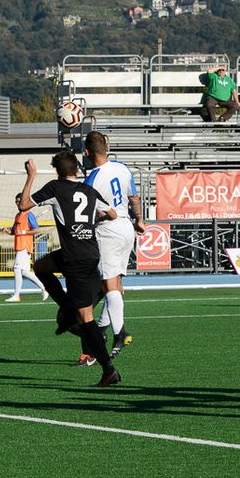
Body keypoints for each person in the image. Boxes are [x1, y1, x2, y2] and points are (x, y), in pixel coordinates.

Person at [19, 151, 121, 387]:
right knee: (41, 266)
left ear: (57, 171)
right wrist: (92, 222)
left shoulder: (56, 188)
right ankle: (68, 308)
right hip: (89, 253)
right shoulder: (88, 190)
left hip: (75, 259)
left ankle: (108, 369)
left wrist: (31, 176)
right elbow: (113, 214)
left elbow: (24, 205)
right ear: (76, 169)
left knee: (84, 319)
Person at [83, 131, 146, 359]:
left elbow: (89, 213)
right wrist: (139, 220)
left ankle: (120, 332)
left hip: (108, 231)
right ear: (106, 148)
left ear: (87, 152)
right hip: (127, 227)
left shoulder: (92, 179)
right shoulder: (122, 168)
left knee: (109, 285)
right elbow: (133, 198)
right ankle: (102, 328)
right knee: (116, 284)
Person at [2, 195, 49, 302]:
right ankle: (44, 287)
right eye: (16, 201)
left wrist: (23, 232)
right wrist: (9, 231)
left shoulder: (29, 215)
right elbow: (15, 231)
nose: (17, 203)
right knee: (24, 271)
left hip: (25, 245)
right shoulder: (18, 215)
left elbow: (37, 230)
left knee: (17, 268)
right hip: (19, 245)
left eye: (19, 201)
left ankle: (16, 295)